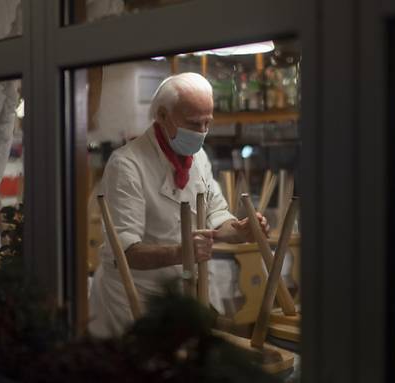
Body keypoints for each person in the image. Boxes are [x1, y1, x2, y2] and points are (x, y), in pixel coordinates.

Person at [89, 73, 269, 337]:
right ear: (163, 115)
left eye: (208, 122)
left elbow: (215, 214)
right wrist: (180, 252)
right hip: (136, 298)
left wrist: (239, 230)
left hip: (184, 293)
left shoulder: (199, 157)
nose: (203, 132)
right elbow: (124, 252)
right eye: (195, 124)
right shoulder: (127, 165)